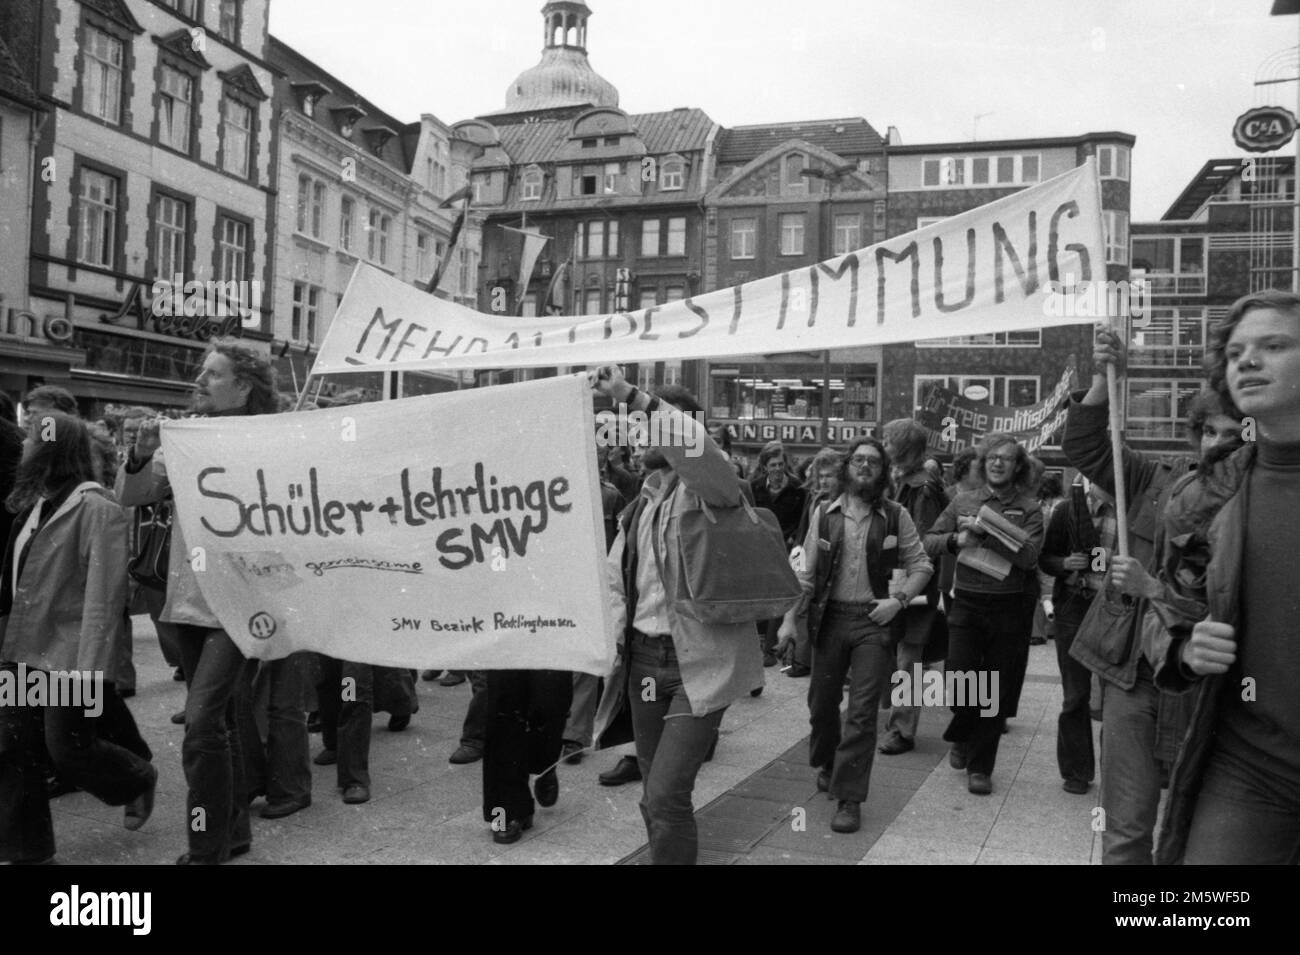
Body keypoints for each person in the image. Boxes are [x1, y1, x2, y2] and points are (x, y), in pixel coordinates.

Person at [1064, 329, 1241, 863]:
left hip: (1214, 688)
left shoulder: (1265, 509)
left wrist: (1151, 587)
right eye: (1208, 431)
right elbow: (1087, 447)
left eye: (1232, 434)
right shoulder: (1157, 482)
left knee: (1196, 836)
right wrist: (1102, 381)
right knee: (1126, 829)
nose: (1217, 443)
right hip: (1134, 674)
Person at [1151, 290, 1300, 864]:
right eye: (1236, 352)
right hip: (1252, 767)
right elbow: (1169, 608)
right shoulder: (1209, 494)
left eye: (1274, 345)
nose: (1248, 361)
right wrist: (1186, 646)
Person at [117, 341, 278, 865]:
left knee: (204, 722)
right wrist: (139, 454)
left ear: (243, 386)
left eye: (213, 374)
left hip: (239, 603)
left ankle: (205, 846)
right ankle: (233, 832)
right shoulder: (184, 435)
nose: (200, 381)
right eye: (202, 372)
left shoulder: (274, 440)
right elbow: (134, 494)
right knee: (223, 723)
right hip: (188, 598)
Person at [590, 370, 759, 864]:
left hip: (697, 665)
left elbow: (700, 453)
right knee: (651, 792)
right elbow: (617, 582)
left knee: (665, 793)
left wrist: (631, 395)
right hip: (644, 663)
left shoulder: (714, 489)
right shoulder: (640, 502)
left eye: (644, 423)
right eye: (634, 423)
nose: (637, 433)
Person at [0, 413, 157, 864]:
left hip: (69, 653)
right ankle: (27, 850)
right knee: (13, 747)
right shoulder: (34, 505)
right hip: (23, 649)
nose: (22, 444)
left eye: (31, 438)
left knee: (67, 749)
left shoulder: (96, 509)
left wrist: (91, 673)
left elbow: (104, 600)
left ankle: (137, 777)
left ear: (51, 449)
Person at [777, 438, 932, 833]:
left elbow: (922, 566)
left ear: (882, 472)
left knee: (862, 714)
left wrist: (897, 601)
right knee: (822, 706)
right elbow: (806, 576)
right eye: (858, 460)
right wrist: (787, 621)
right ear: (848, 468)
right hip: (828, 621)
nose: (865, 467)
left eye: (873, 462)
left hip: (872, 624)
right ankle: (829, 761)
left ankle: (849, 799)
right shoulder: (824, 515)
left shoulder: (895, 515)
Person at [924, 434, 1044, 795]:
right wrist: (955, 541)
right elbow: (928, 540)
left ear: (1017, 466)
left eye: (1006, 459)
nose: (997, 463)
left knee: (993, 688)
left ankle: (981, 767)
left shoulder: (1030, 508)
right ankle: (962, 731)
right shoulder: (962, 500)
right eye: (992, 457)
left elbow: (1030, 557)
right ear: (983, 462)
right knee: (960, 679)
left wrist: (990, 535)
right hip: (967, 603)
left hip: (1008, 607)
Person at [878, 419, 949, 756]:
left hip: (910, 583)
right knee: (897, 651)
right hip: (893, 579)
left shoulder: (922, 488)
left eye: (888, 440)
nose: (884, 445)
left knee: (909, 655)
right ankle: (896, 719)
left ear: (904, 447)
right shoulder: (899, 481)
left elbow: (921, 543)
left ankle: (903, 729)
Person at [1039, 477, 1114, 795]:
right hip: (1075, 606)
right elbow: (1046, 558)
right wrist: (1065, 564)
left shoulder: (1131, 508)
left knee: (1118, 697)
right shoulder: (1068, 509)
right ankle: (1077, 771)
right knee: (1076, 694)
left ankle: (1118, 771)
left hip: (1118, 609)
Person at [751, 441, 807, 668]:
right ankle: (759, 639)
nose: (776, 469)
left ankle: (770, 647)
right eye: (772, 465)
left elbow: (803, 521)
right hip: (761, 548)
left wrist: (793, 541)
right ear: (764, 467)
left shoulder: (798, 489)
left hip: (790, 547)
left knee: (785, 593)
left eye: (780, 464)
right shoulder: (754, 488)